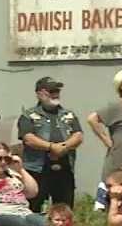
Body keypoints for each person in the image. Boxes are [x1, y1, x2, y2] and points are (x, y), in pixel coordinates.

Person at [18, 77, 83, 213]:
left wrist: (63, 147)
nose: (55, 94)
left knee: (64, 209)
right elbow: (28, 138)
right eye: (51, 91)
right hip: (37, 170)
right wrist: (51, 147)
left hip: (64, 170)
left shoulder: (68, 114)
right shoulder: (28, 115)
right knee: (33, 208)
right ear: (39, 93)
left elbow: (78, 135)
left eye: (57, 90)